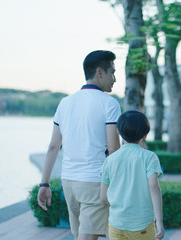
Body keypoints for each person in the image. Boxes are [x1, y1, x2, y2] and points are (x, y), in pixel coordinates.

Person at [37, 50, 121, 240]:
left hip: (69, 182)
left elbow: (53, 147)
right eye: (112, 73)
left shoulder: (65, 103)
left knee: (80, 234)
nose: (114, 79)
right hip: (94, 181)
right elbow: (114, 148)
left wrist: (44, 183)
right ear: (100, 72)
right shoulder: (109, 103)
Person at [100, 110, 164, 240]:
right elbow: (154, 187)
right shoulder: (149, 157)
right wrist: (160, 222)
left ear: (118, 132)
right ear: (145, 135)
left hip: (117, 223)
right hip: (143, 223)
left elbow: (103, 197)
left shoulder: (109, 160)